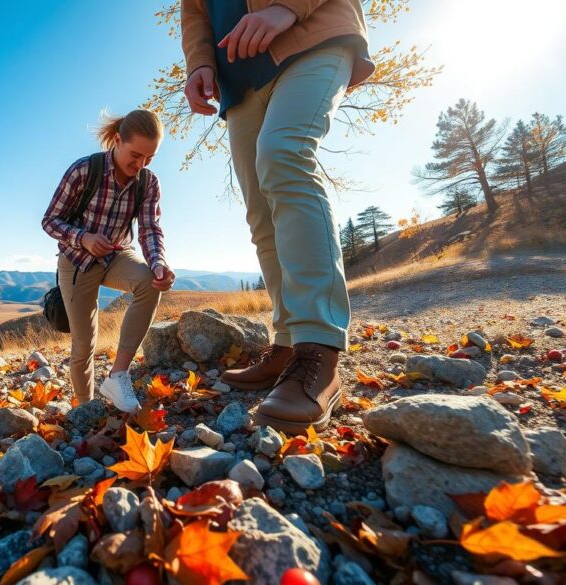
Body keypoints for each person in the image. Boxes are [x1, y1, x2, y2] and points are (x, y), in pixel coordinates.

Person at [180, 0, 375, 433]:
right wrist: (199, 64)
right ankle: (286, 343)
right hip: (239, 76)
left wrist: (287, 7)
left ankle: (318, 349)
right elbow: (195, 11)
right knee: (260, 211)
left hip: (313, 36)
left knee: (284, 157)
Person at [41, 109, 176, 413]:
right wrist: (83, 237)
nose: (140, 164)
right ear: (117, 140)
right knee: (83, 345)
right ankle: (85, 408)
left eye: (149, 158)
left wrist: (158, 263)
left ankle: (118, 375)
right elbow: (50, 221)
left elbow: (151, 229)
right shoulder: (84, 171)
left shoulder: (148, 183)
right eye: (135, 155)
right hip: (77, 260)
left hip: (117, 255)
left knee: (149, 283)